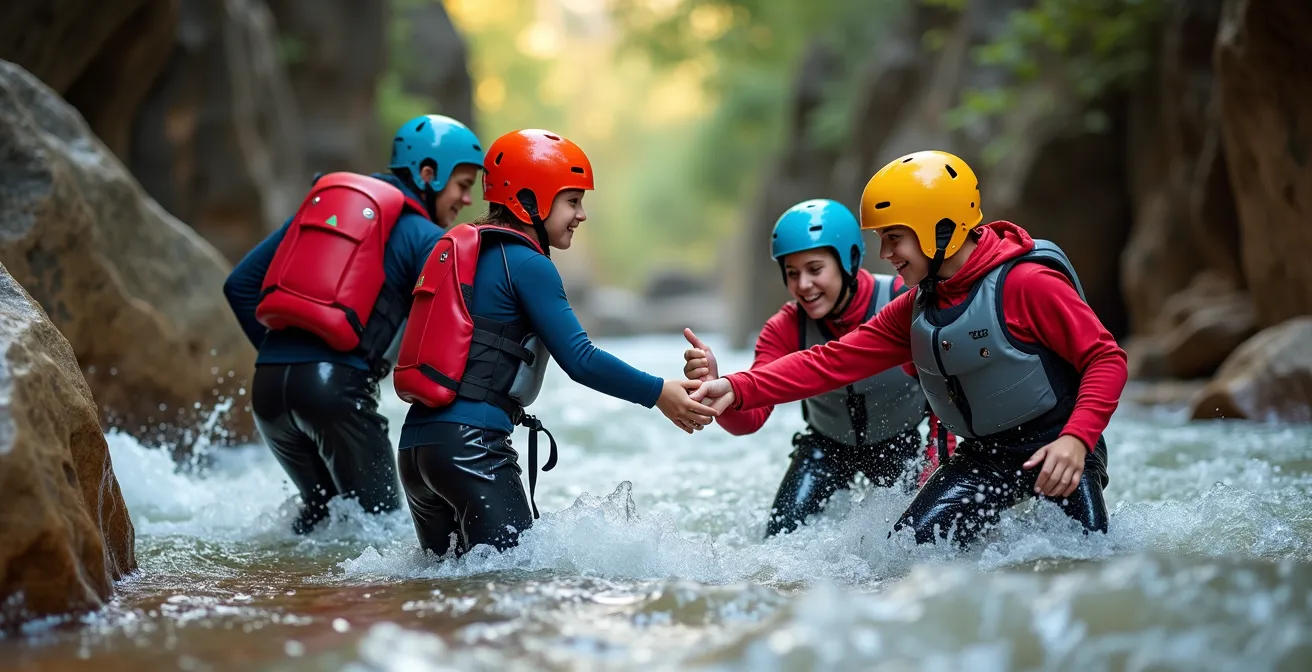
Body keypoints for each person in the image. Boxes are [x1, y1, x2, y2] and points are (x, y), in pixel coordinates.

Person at [689, 150, 1127, 548]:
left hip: (1057, 446)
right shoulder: (914, 308)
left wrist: (1076, 439)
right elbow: (832, 361)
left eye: (894, 237)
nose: (886, 253)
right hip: (981, 458)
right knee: (903, 557)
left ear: (939, 228)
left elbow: (1105, 359)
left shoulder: (1027, 283)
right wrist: (734, 386)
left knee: (1085, 562)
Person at [391, 128, 719, 557]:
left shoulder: (470, 250)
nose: (582, 214)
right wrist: (659, 393)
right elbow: (580, 359)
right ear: (529, 201)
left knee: (444, 595)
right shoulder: (529, 263)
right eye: (572, 201)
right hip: (471, 449)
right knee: (510, 599)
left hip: (417, 449)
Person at [223, 114, 485, 534]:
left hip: (269, 391)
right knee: (378, 530)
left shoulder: (328, 211)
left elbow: (239, 285)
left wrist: (286, 358)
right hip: (336, 390)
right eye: (463, 184)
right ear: (428, 174)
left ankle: (288, 596)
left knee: (322, 518)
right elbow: (455, 322)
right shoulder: (424, 237)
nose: (466, 199)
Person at [681, 199, 955, 538]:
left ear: (849, 261)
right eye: (792, 273)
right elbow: (749, 420)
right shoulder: (784, 328)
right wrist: (718, 391)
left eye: (814, 269)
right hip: (826, 447)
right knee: (779, 540)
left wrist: (936, 461)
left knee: (914, 544)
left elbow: (946, 392)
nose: (803, 285)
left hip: (902, 446)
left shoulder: (903, 300)